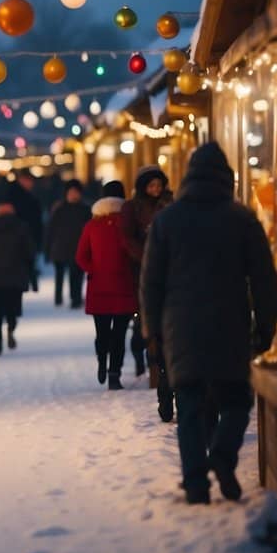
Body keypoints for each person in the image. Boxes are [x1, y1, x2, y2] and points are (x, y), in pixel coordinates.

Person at [142, 143, 277, 504]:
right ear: (227, 179)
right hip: (230, 322)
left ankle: (196, 483)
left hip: (180, 325)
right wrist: (269, 327)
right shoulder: (242, 218)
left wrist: (151, 329)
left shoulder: (167, 221)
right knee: (236, 399)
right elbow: (263, 279)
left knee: (189, 405)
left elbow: (151, 280)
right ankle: (222, 456)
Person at [122, 165, 175, 415]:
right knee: (147, 329)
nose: (155, 190)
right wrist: (146, 256)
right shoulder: (133, 208)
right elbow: (127, 238)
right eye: (151, 186)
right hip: (142, 273)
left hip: (172, 276)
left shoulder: (171, 203)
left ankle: (165, 382)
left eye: (158, 185)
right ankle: (155, 376)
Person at [75, 181, 136, 391]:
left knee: (102, 332)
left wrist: (94, 270)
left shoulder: (92, 225)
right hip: (124, 286)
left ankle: (102, 361)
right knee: (119, 334)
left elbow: (81, 256)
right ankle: (114, 373)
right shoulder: (129, 224)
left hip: (99, 287)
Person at [0, 202, 36, 356]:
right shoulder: (22, 227)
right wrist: (30, 274)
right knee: (12, 309)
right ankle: (10, 328)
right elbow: (29, 253)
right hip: (15, 276)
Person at [45, 179, 92, 308]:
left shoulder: (85, 209)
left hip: (77, 246)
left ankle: (75, 298)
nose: (73, 195)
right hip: (61, 247)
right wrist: (48, 249)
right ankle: (58, 298)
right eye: (71, 192)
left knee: (76, 273)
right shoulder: (59, 209)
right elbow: (51, 230)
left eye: (76, 192)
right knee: (59, 274)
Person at [9, 172, 44, 292]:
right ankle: (31, 283)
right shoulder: (22, 197)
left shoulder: (18, 195)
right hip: (24, 233)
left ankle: (31, 282)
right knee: (26, 259)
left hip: (24, 233)